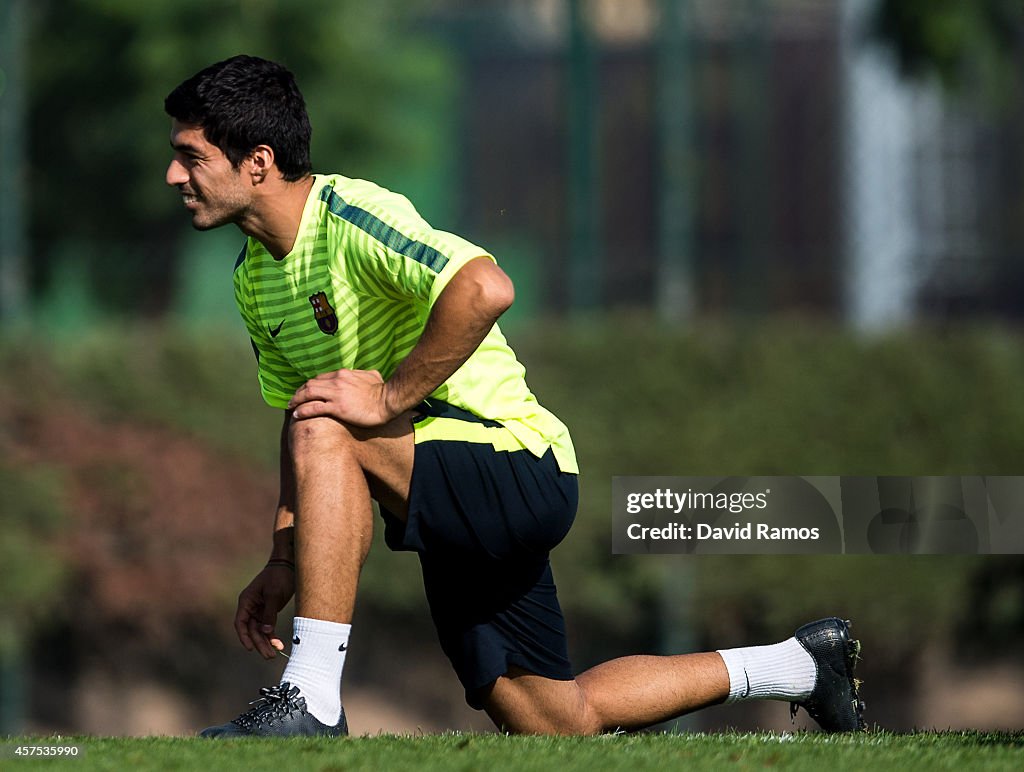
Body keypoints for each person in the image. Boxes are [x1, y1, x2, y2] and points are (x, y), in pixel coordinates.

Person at [164, 55, 865, 737]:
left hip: (516, 466)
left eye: (191, 157)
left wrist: (388, 398)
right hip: (444, 489)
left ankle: (310, 698)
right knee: (552, 721)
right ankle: (798, 666)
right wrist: (285, 560)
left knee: (333, 429)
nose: (174, 175)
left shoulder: (350, 214)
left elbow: (486, 287)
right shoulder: (253, 279)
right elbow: (302, 419)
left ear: (257, 161)